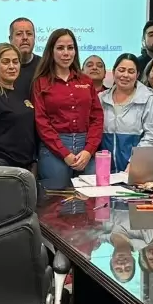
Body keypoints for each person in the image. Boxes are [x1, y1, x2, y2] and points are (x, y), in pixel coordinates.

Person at [32, 28, 104, 190]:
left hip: (86, 146)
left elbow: (97, 118)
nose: (66, 53)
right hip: (54, 147)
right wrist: (64, 153)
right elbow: (41, 122)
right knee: (55, 199)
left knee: (91, 197)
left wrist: (89, 150)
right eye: (60, 48)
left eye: (70, 48)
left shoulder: (86, 81)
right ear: (51, 51)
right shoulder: (41, 82)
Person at [98, 53, 153, 173]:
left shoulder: (147, 99)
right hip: (105, 170)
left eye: (131, 71)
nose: (125, 75)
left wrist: (135, 162)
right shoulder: (101, 99)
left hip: (137, 169)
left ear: (137, 75)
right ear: (114, 72)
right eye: (121, 70)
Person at [0, 17, 41, 100]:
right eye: (19, 34)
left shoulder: (44, 65)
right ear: (10, 39)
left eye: (29, 34)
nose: (25, 37)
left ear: (34, 38)